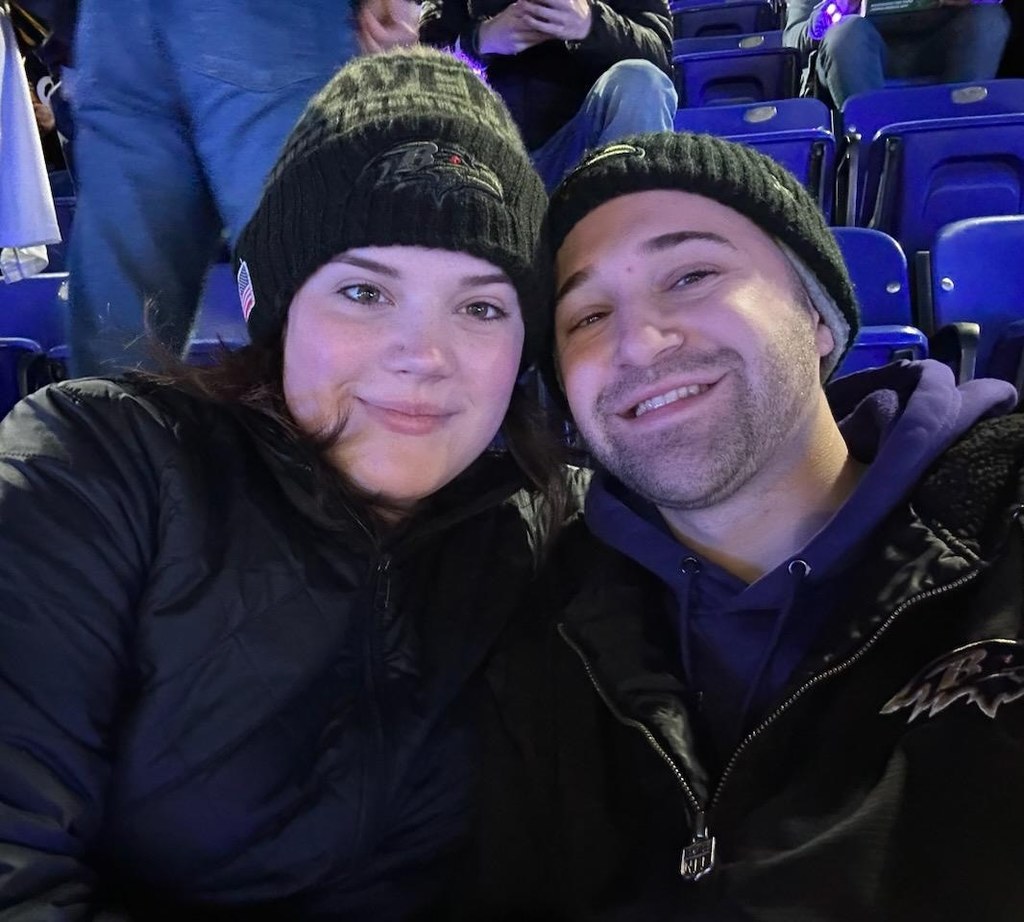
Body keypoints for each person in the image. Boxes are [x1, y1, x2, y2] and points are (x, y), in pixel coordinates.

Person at [0, 46, 572, 920]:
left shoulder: (548, 533)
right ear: (274, 304)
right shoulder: (98, 466)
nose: (422, 355)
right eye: (364, 293)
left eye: (482, 306)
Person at [467, 131, 1024, 920]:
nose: (637, 343)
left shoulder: (1006, 524)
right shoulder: (542, 624)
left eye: (692, 275)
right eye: (587, 315)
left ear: (820, 317)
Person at [67, 0, 419, 377]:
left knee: (122, 311)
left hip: (112, 20)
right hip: (269, 22)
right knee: (316, 276)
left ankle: (110, 431)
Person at [419, 0, 676, 190]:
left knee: (641, 79)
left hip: (582, 144)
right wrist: (481, 39)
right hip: (482, 152)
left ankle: (627, 236)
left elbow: (659, 57)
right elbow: (421, 66)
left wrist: (590, 24)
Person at [783, 0, 1011, 107]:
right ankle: (872, 149)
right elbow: (792, 39)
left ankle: (959, 135)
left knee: (988, 19)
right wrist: (830, 13)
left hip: (939, 46)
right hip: (855, 57)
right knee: (846, 33)